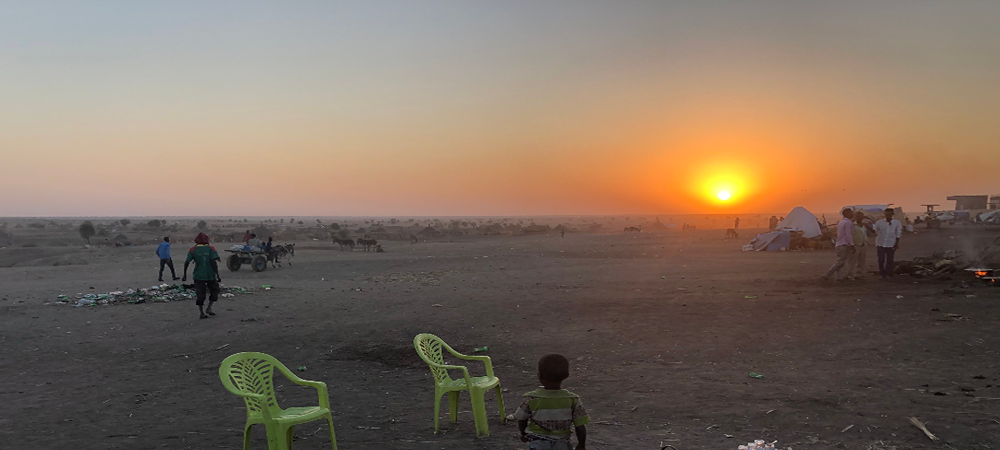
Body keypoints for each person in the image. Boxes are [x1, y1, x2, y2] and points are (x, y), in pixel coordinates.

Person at [515, 354, 590, 450]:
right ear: (566, 376)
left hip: (538, 443)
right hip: (562, 443)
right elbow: (580, 426)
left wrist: (523, 433)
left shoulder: (532, 398)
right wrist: (581, 445)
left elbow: (521, 419)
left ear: (539, 376)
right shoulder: (573, 400)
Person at [182, 232, 222, 319]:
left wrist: (184, 274)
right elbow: (213, 262)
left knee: (201, 294)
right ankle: (209, 307)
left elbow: (187, 262)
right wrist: (218, 275)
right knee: (215, 290)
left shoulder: (193, 249)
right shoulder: (211, 249)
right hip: (210, 274)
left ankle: (201, 312)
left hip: (198, 275)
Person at [821, 208, 855, 282]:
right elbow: (848, 234)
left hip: (840, 243)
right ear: (848, 214)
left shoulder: (842, 222)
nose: (853, 214)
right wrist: (852, 244)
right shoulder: (848, 222)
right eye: (852, 213)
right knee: (840, 262)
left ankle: (839, 277)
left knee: (841, 262)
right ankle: (827, 275)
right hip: (844, 244)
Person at [874, 208, 903, 280]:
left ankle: (887, 272)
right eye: (886, 214)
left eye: (889, 214)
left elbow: (898, 234)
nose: (888, 216)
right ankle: (882, 272)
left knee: (890, 260)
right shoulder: (879, 222)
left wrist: (896, 244)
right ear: (884, 214)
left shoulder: (897, 223)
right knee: (881, 259)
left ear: (892, 214)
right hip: (881, 243)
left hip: (891, 243)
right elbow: (875, 231)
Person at [846, 213, 869, 280]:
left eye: (861, 216)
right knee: (852, 261)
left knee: (862, 261)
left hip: (864, 244)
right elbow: (849, 235)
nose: (859, 218)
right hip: (855, 245)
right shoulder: (852, 225)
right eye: (857, 216)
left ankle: (859, 274)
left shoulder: (864, 225)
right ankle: (850, 275)